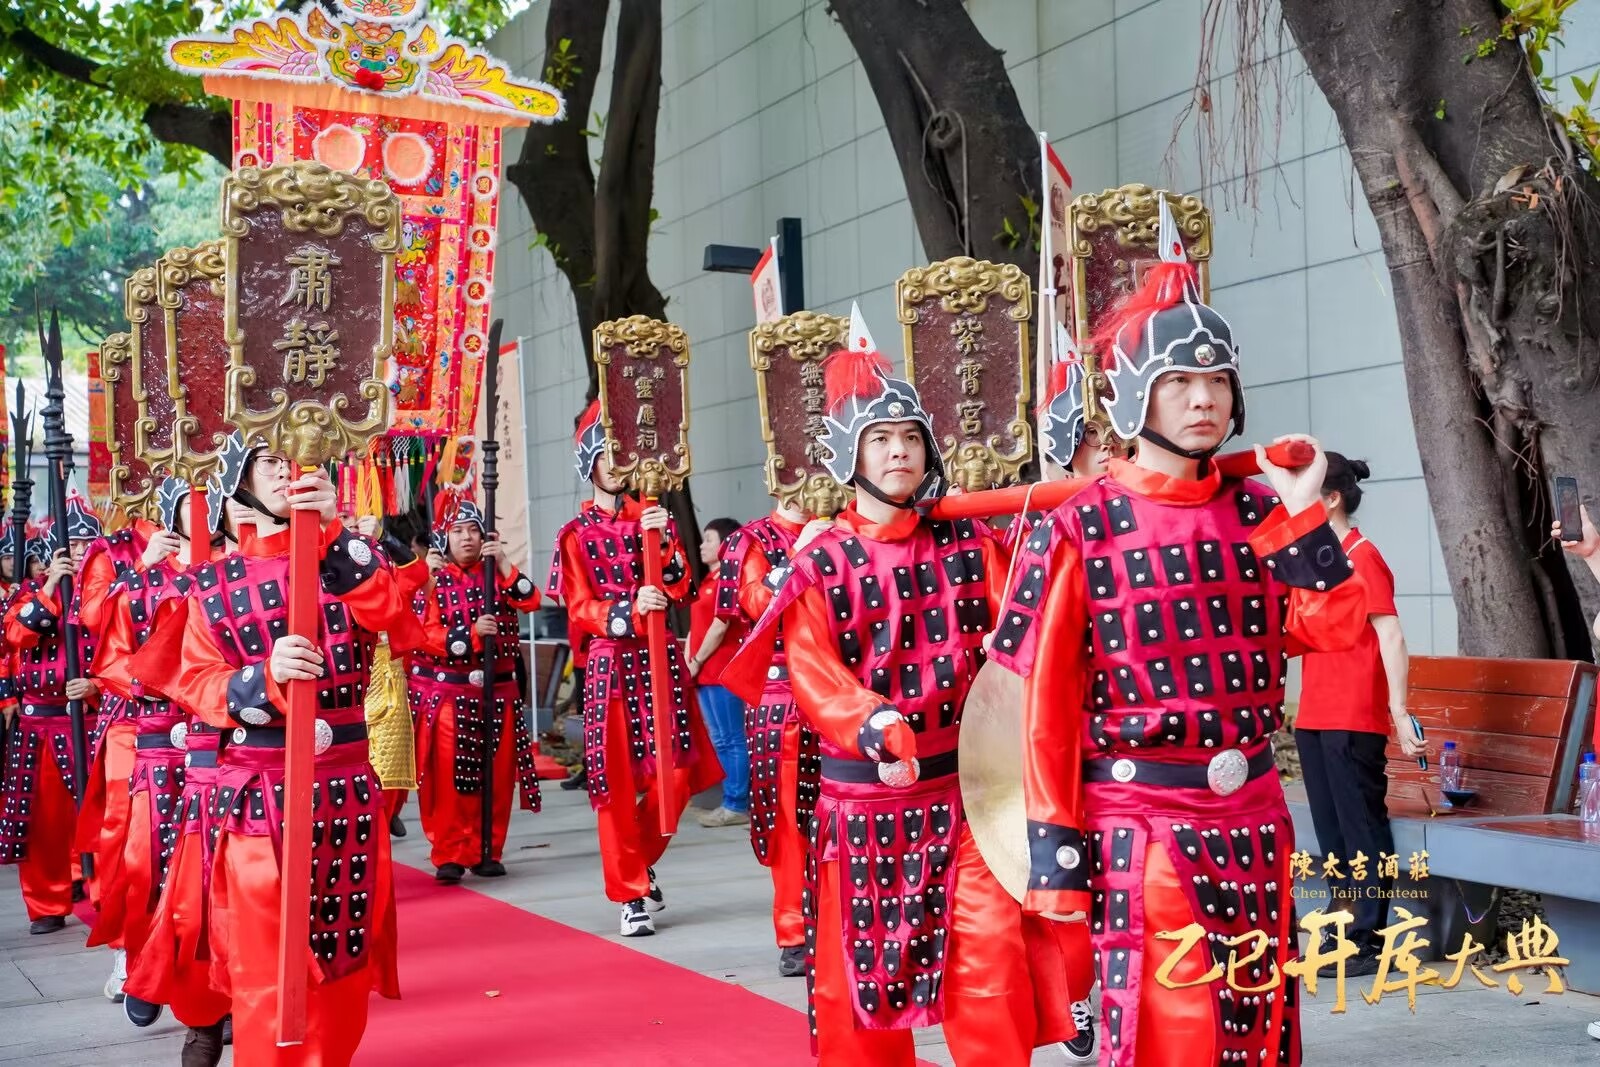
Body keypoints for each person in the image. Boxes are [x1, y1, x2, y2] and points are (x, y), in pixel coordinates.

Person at [987, 204, 1368, 1066]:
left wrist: (1305, 507)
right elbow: (1043, 706)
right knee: (1176, 1030)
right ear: (1131, 393)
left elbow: (1336, 624)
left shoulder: (1258, 507)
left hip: (1256, 815)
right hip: (1144, 819)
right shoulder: (1080, 524)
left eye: (1219, 380)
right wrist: (1055, 851)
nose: (1204, 398)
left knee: (1262, 1030)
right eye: (1180, 382)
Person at [724, 332, 1094, 1066]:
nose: (899, 451)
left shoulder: (967, 543)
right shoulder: (820, 562)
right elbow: (811, 668)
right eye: (881, 438)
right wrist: (871, 717)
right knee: (857, 998)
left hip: (964, 800)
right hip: (865, 805)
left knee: (990, 968)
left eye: (910, 437)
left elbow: (1026, 620)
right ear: (850, 455)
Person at [125, 430, 423, 1066]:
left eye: (297, 459)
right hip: (256, 798)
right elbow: (196, 679)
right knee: (266, 972)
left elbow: (397, 621)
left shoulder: (350, 558)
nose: (289, 471)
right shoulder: (211, 584)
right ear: (239, 480)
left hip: (343, 792)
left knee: (341, 967)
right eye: (270, 460)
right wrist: (260, 677)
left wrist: (337, 535)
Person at [547, 401, 721, 937]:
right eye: (607, 457)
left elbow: (680, 586)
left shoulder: (651, 517)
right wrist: (622, 611)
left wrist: (665, 536)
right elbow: (578, 606)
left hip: (660, 659)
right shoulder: (575, 534)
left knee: (680, 775)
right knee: (616, 784)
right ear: (590, 463)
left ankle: (637, 864)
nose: (617, 468)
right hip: (610, 666)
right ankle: (630, 892)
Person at [84, 478, 209, 1027]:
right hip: (155, 738)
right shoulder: (136, 584)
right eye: (189, 506)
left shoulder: (221, 576)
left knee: (209, 867)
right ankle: (140, 966)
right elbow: (112, 662)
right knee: (144, 858)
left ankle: (211, 991)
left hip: (215, 738)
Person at [1294, 454, 1423, 976]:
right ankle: (1345, 918)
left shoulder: (1362, 556)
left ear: (1332, 498)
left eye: (1308, 492)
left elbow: (1390, 633)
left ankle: (1369, 936)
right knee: (1331, 829)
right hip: (1315, 713)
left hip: (1354, 711)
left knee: (1361, 825)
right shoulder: (1321, 557)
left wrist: (1398, 708)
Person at [409, 501, 542, 882]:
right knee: (448, 779)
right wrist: (468, 636)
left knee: (497, 777)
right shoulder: (433, 579)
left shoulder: (497, 575)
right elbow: (422, 634)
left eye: (473, 530)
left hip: (498, 693)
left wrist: (502, 563)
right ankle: (449, 851)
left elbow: (531, 601)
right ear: (444, 538)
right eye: (458, 531)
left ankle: (489, 849)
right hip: (452, 694)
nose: (467, 538)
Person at [712, 499, 817, 978]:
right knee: (788, 821)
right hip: (783, 695)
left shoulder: (853, 525)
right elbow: (752, 601)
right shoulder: (754, 539)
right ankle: (795, 931)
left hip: (848, 686)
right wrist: (806, 555)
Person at [0, 503, 104, 936]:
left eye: (86, 542)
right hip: (37, 722)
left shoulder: (103, 593)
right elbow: (17, 634)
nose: (79, 550)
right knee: (41, 821)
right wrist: (53, 589)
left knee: (95, 811)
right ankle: (46, 902)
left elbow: (121, 650)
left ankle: (97, 889)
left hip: (84, 717)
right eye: (72, 542)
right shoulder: (28, 596)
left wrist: (96, 685)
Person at [688, 516, 750, 829]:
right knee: (721, 739)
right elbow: (697, 627)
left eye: (709, 539)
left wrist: (696, 659)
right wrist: (690, 659)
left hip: (722, 670)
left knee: (732, 738)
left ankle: (737, 804)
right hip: (704, 671)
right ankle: (731, 799)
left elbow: (719, 625)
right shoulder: (709, 580)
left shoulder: (730, 579)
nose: (702, 545)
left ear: (726, 543)